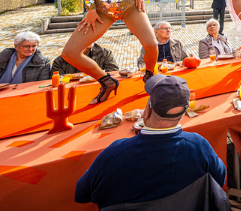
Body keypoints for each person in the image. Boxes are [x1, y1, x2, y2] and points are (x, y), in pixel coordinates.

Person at [75, 75, 227, 209]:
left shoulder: (115, 154)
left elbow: (81, 195)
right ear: (184, 112)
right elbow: (219, 179)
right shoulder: (198, 146)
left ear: (147, 110)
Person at [52, 43, 118, 75]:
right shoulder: (60, 61)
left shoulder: (105, 53)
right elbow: (56, 81)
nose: (89, 38)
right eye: (85, 35)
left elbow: (114, 73)